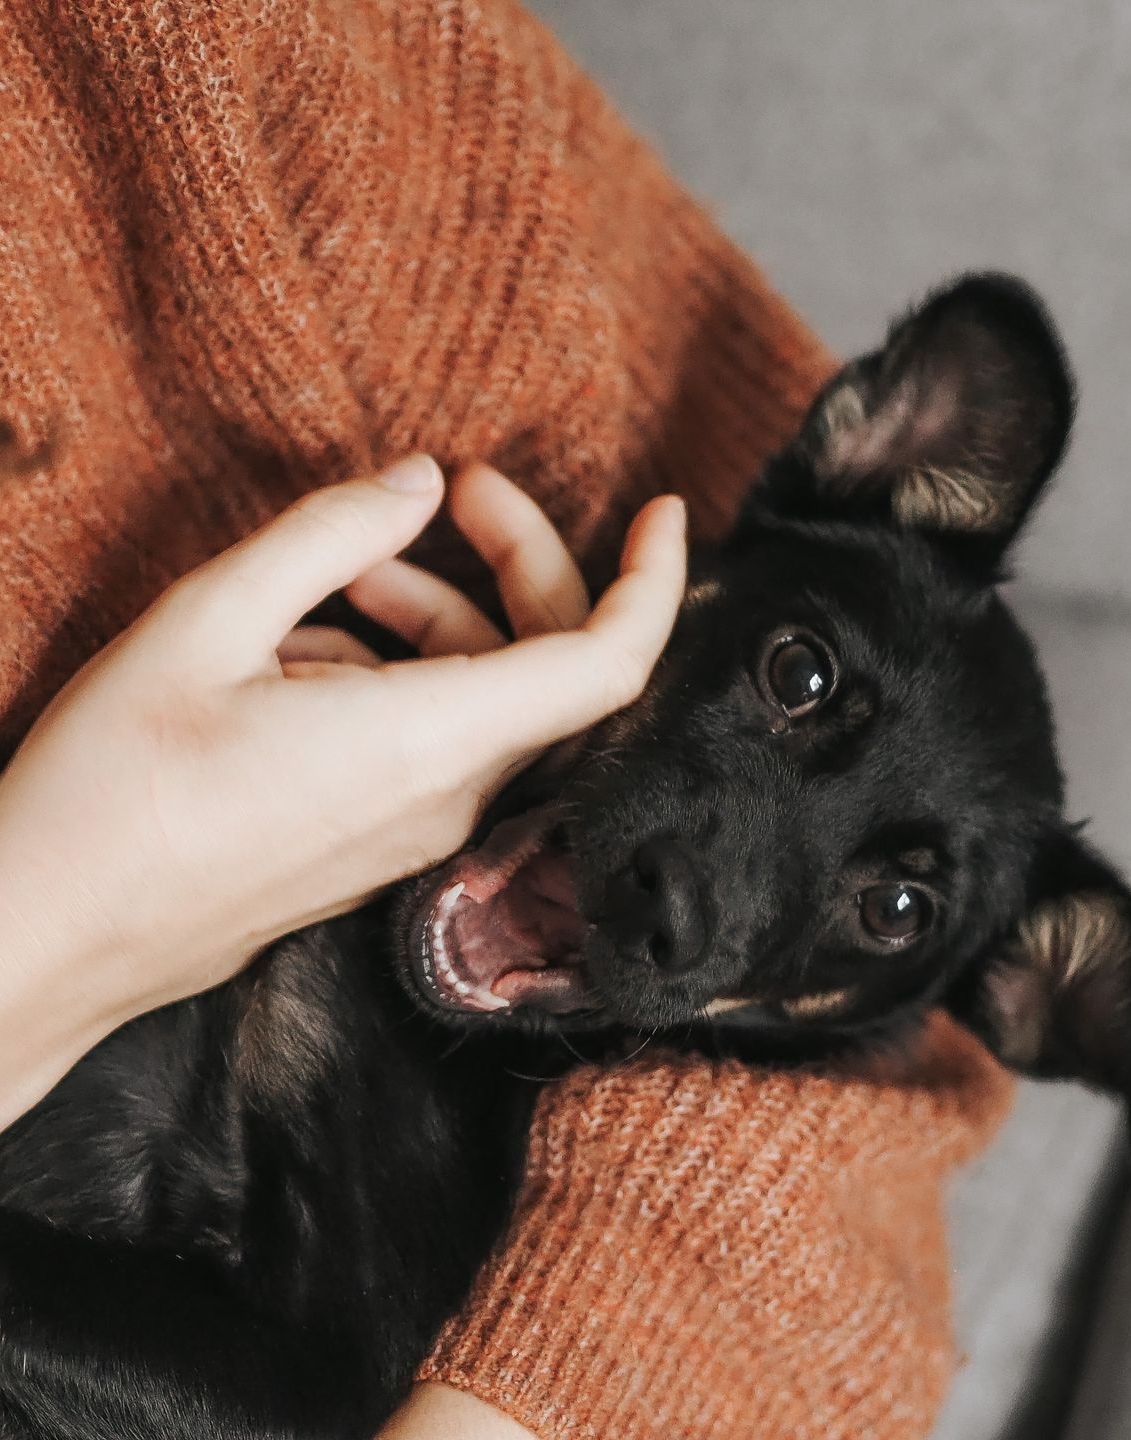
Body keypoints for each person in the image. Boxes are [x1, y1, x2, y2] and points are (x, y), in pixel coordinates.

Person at [0, 1, 1013, 1435]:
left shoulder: (273, 104)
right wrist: (56, 922)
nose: (691, 893)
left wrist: (530, 1396)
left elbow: (878, 1116)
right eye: (796, 688)